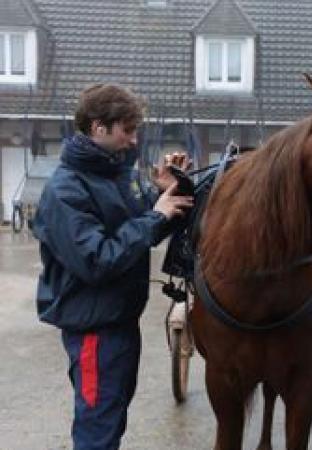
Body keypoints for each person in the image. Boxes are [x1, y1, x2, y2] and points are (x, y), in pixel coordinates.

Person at [32, 84, 193, 449]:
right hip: (94, 330)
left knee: (111, 418)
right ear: (97, 127)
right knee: (97, 432)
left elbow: (138, 228)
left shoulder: (115, 176)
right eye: (126, 130)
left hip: (119, 324)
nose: (133, 140)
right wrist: (154, 216)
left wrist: (164, 194)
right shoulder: (66, 190)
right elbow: (97, 259)